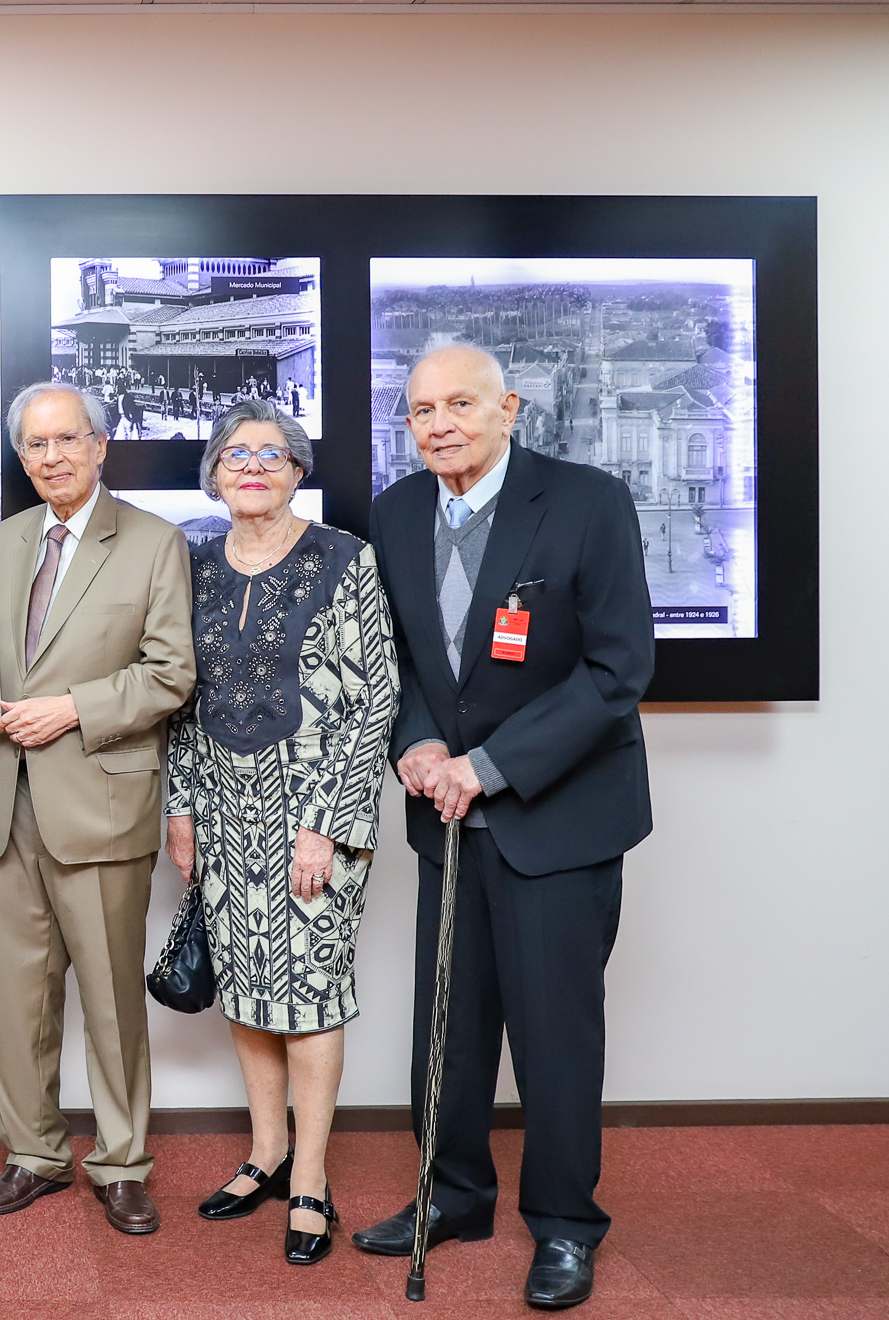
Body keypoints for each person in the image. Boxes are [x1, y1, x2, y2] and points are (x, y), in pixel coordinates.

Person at [355, 345, 654, 1311]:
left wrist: (487, 767)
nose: (438, 423)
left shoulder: (586, 501)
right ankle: (453, 1195)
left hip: (554, 817)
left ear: (508, 407)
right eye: (420, 410)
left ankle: (566, 1226)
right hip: (443, 816)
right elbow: (397, 658)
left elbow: (616, 672)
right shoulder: (398, 511)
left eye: (459, 404)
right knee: (449, 1026)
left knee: (554, 1036)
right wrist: (414, 746)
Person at [164, 400, 400, 1265]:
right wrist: (180, 807)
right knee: (248, 985)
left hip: (311, 812)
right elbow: (180, 698)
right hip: (221, 808)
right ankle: (264, 1154)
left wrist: (327, 828)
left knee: (309, 990)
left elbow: (376, 699)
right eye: (236, 454)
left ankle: (311, 1179)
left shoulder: (345, 559)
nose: (253, 465)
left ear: (299, 470)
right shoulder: (192, 565)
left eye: (272, 452)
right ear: (215, 474)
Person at [0, 381, 194, 1235]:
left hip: (99, 798)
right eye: (35, 445)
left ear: (102, 446)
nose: (51, 457)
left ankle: (124, 1162)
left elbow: (171, 673)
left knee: (110, 1000)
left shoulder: (155, 542)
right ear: (21, 458)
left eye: (67, 440)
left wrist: (75, 707)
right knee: (16, 997)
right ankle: (33, 1153)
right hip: (2, 797)